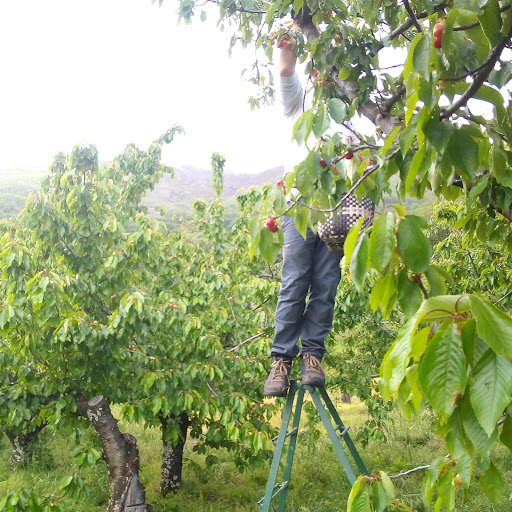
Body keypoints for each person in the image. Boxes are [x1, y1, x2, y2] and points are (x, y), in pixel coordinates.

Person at [264, 34, 344, 397]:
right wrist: (295, 27)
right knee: (295, 280)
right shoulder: (299, 101)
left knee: (326, 284)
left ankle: (312, 356)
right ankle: (281, 360)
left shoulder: (347, 110)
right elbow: (284, 66)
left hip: (338, 206)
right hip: (299, 204)